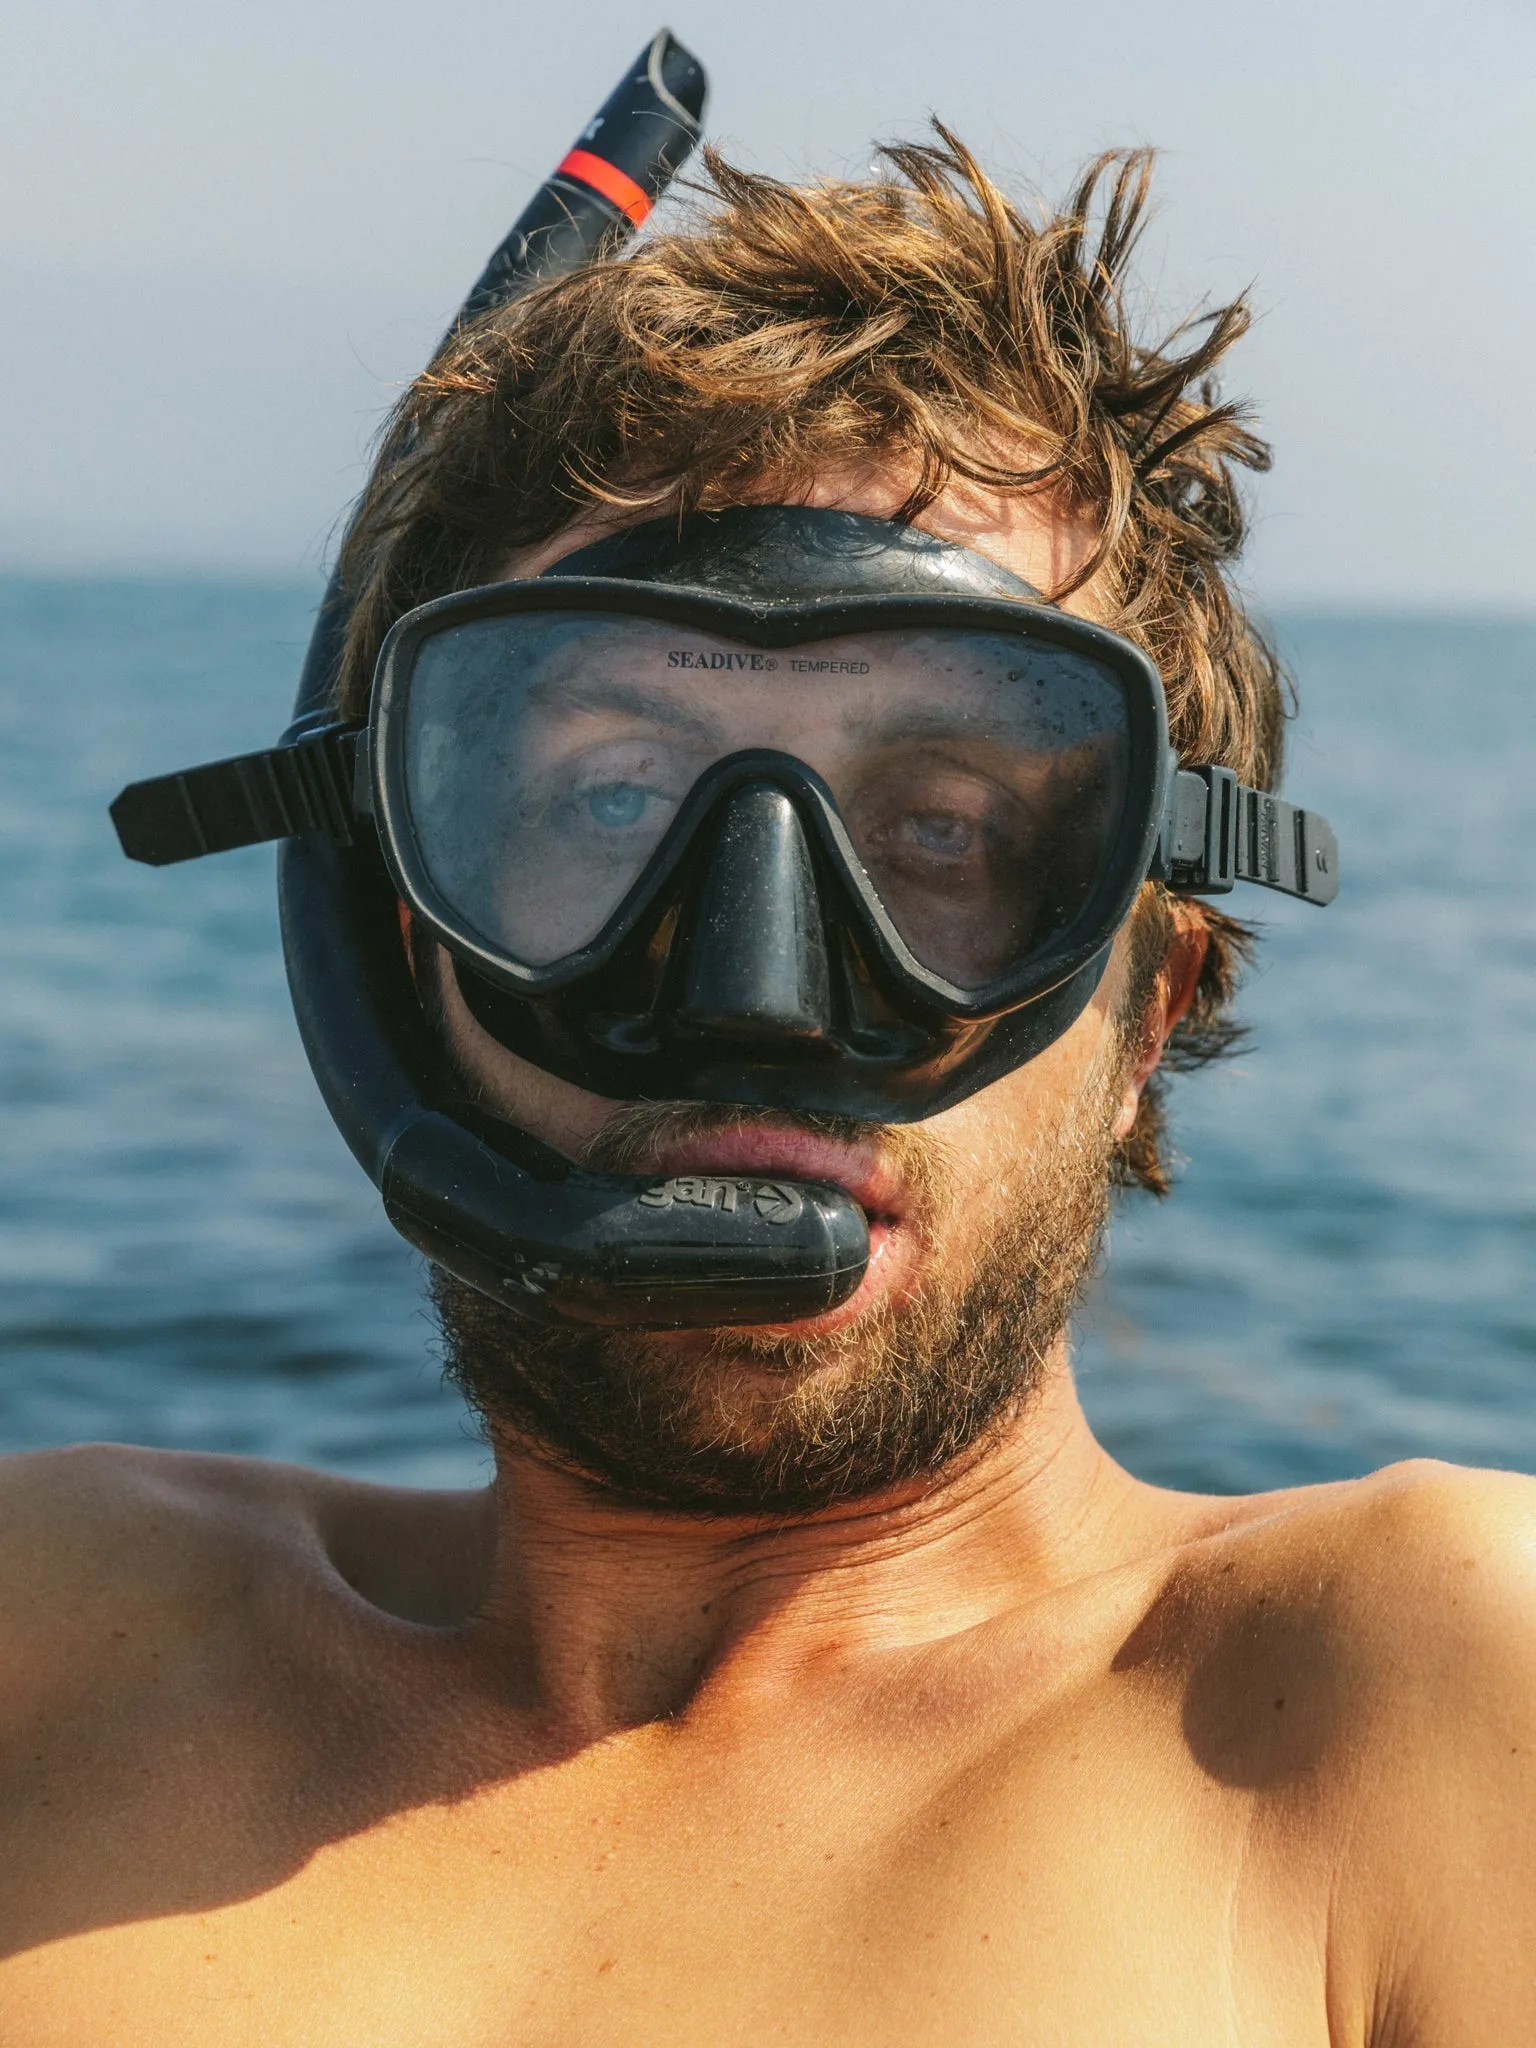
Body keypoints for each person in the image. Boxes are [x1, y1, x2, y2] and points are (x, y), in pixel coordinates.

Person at [6, 134, 1535, 2045]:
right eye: (617, 797)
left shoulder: (1422, 1696)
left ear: (1148, 1005)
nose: (756, 994)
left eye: (947, 827)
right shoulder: (54, 1633)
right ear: (399, 948)